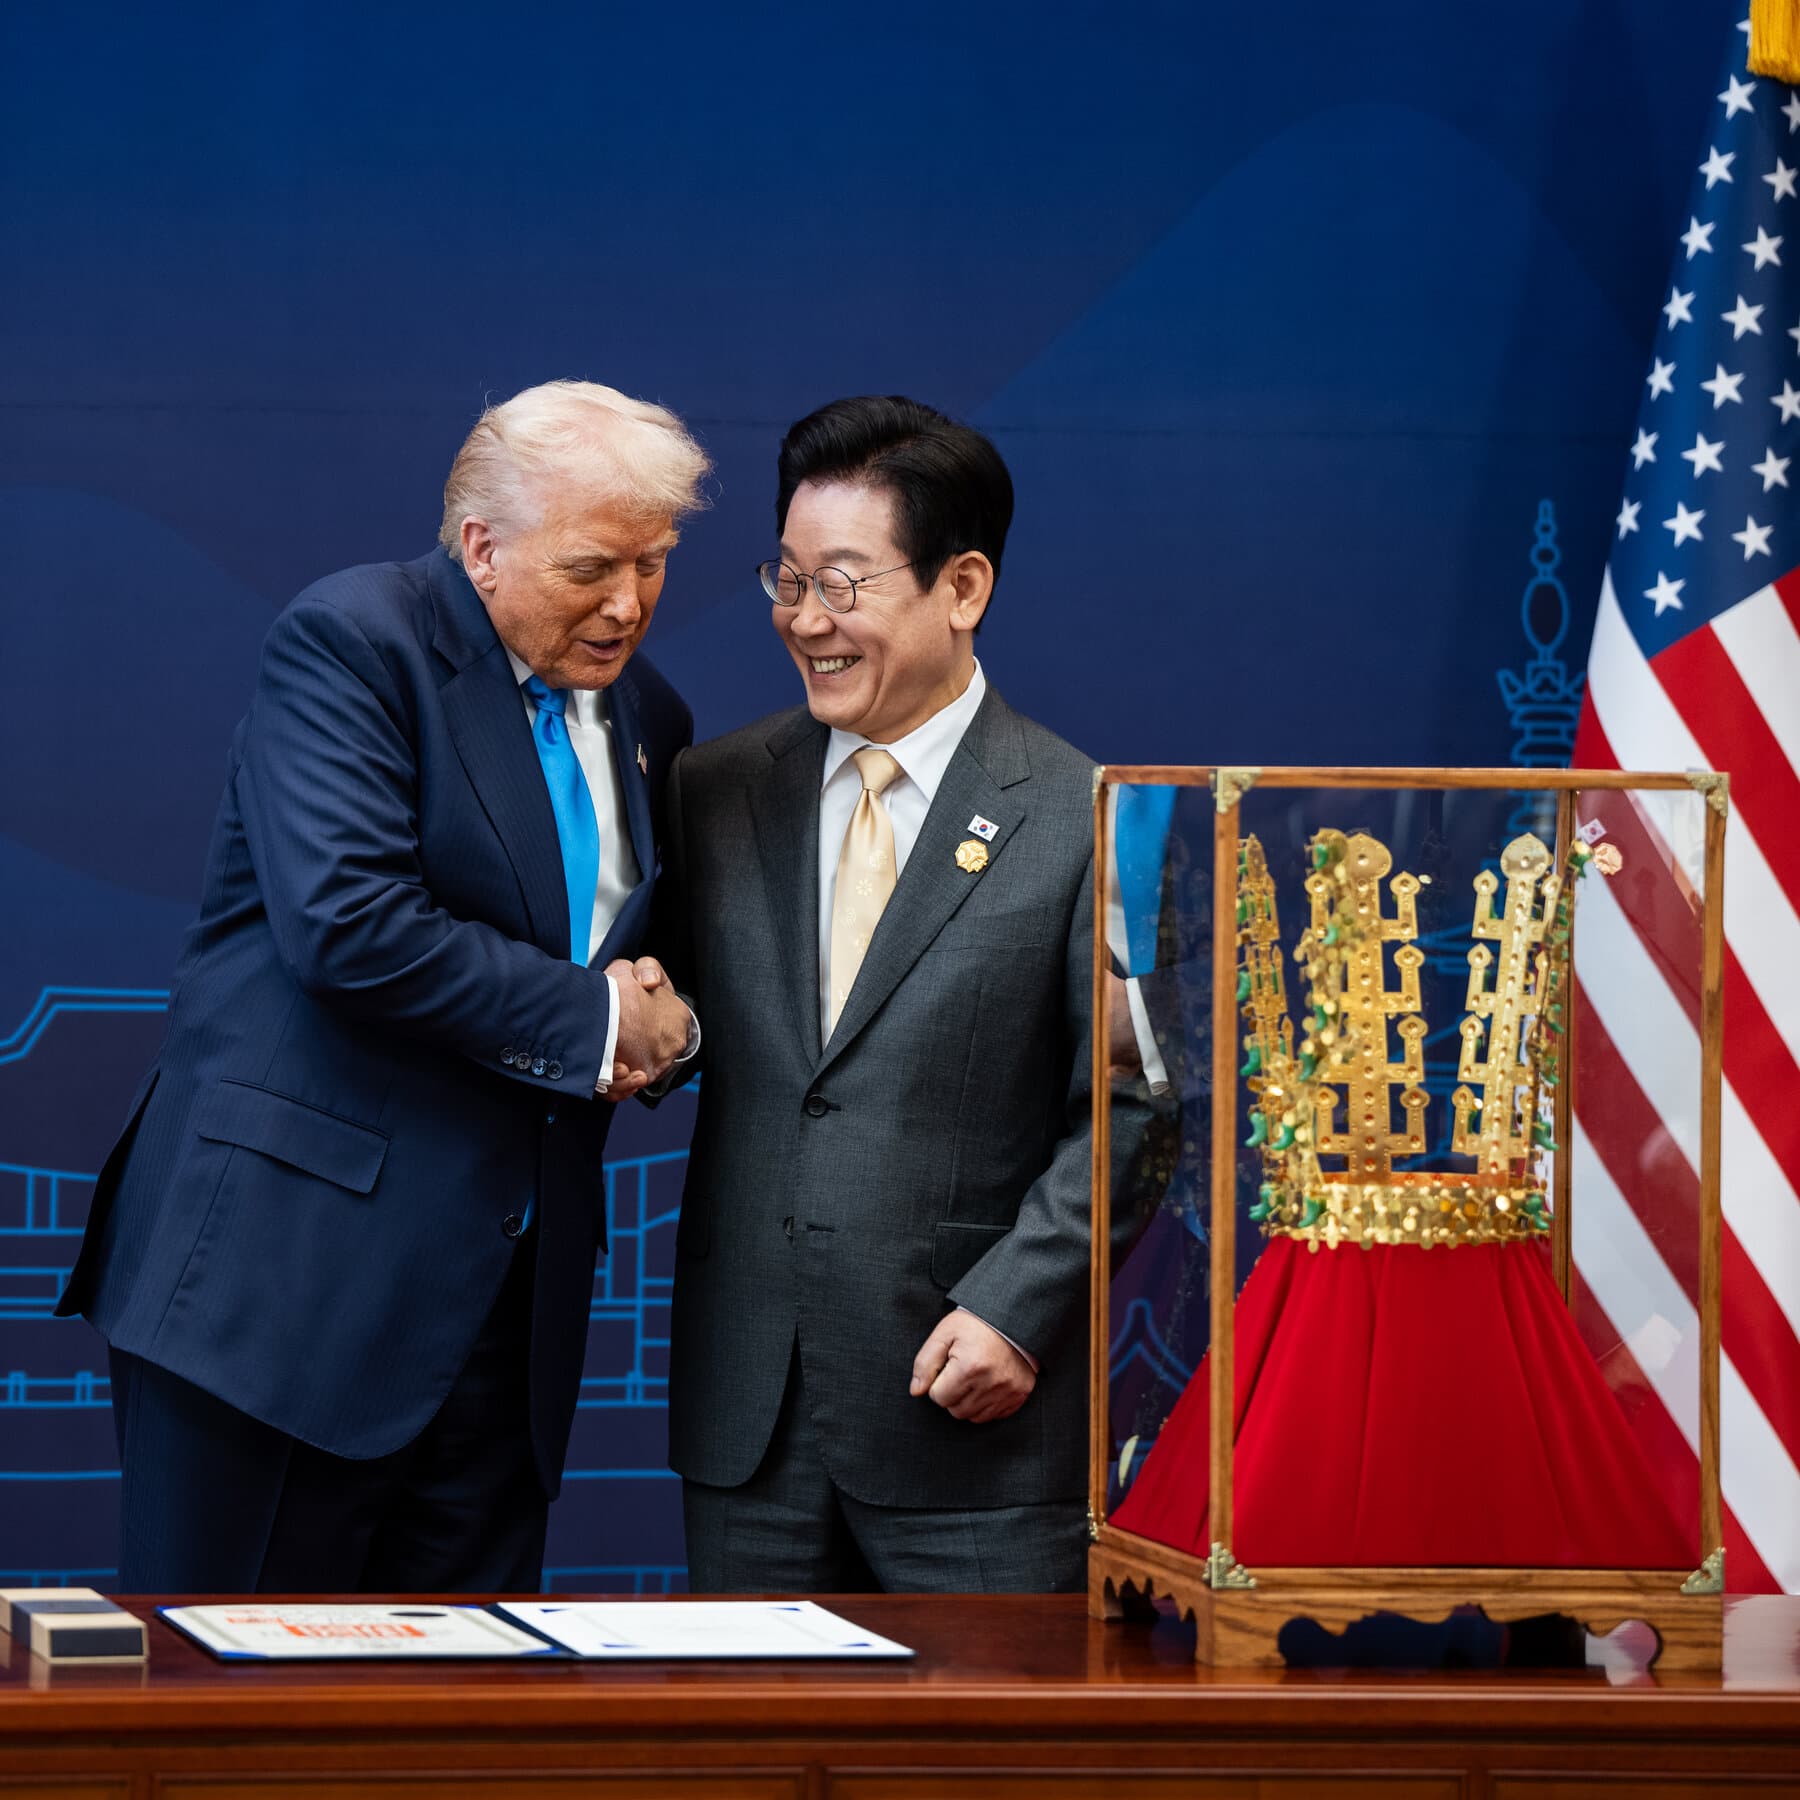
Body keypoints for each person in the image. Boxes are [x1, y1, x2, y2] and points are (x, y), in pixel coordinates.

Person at [58, 380, 705, 1593]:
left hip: (503, 1336)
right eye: (592, 567)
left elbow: (648, 972)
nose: (629, 603)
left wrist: (666, 1031)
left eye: (655, 562)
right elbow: (350, 927)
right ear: (481, 548)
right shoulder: (355, 641)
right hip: (283, 1304)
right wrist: (601, 1020)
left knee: (454, 1743)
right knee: (233, 1733)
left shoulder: (649, 716)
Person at [653, 394, 1149, 1593]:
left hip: (970, 1419)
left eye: (842, 584)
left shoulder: (1091, 814)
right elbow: (666, 1023)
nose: (803, 621)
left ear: (963, 588)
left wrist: (1020, 1308)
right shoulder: (714, 792)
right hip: (750, 1426)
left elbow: (1138, 1111)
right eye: (786, 579)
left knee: (970, 1783)